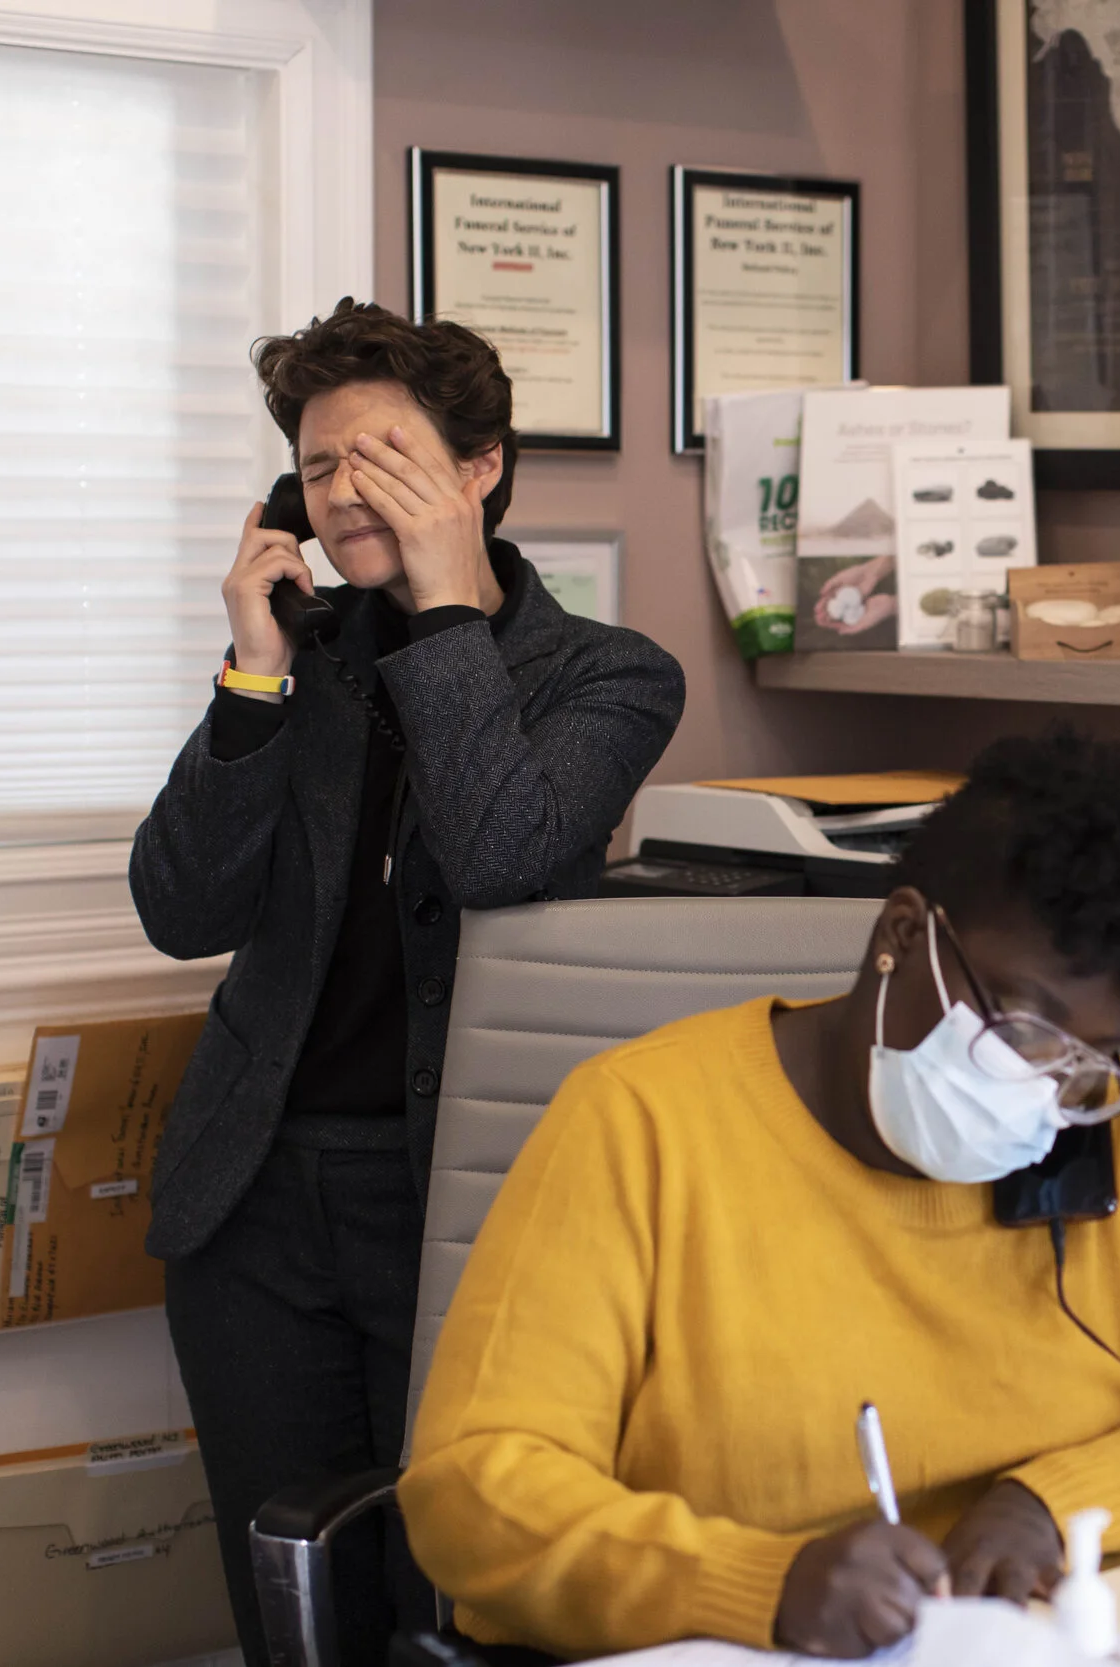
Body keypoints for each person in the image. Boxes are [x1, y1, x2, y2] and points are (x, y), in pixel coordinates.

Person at [402, 732, 1120, 1660]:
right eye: (1022, 1026)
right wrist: (765, 1583)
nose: (1044, 1086)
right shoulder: (641, 1123)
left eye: (1085, 1059)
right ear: (903, 934)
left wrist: (1060, 1500)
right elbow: (475, 1492)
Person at [130, 299, 685, 1662]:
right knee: (291, 1595)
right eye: (317, 467)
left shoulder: (609, 676)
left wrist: (443, 609)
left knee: (450, 1591)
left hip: (457, 1195)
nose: (343, 491)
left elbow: (502, 854)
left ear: (481, 467)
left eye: (381, 457)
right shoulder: (302, 659)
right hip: (256, 1199)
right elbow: (180, 908)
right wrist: (253, 679)